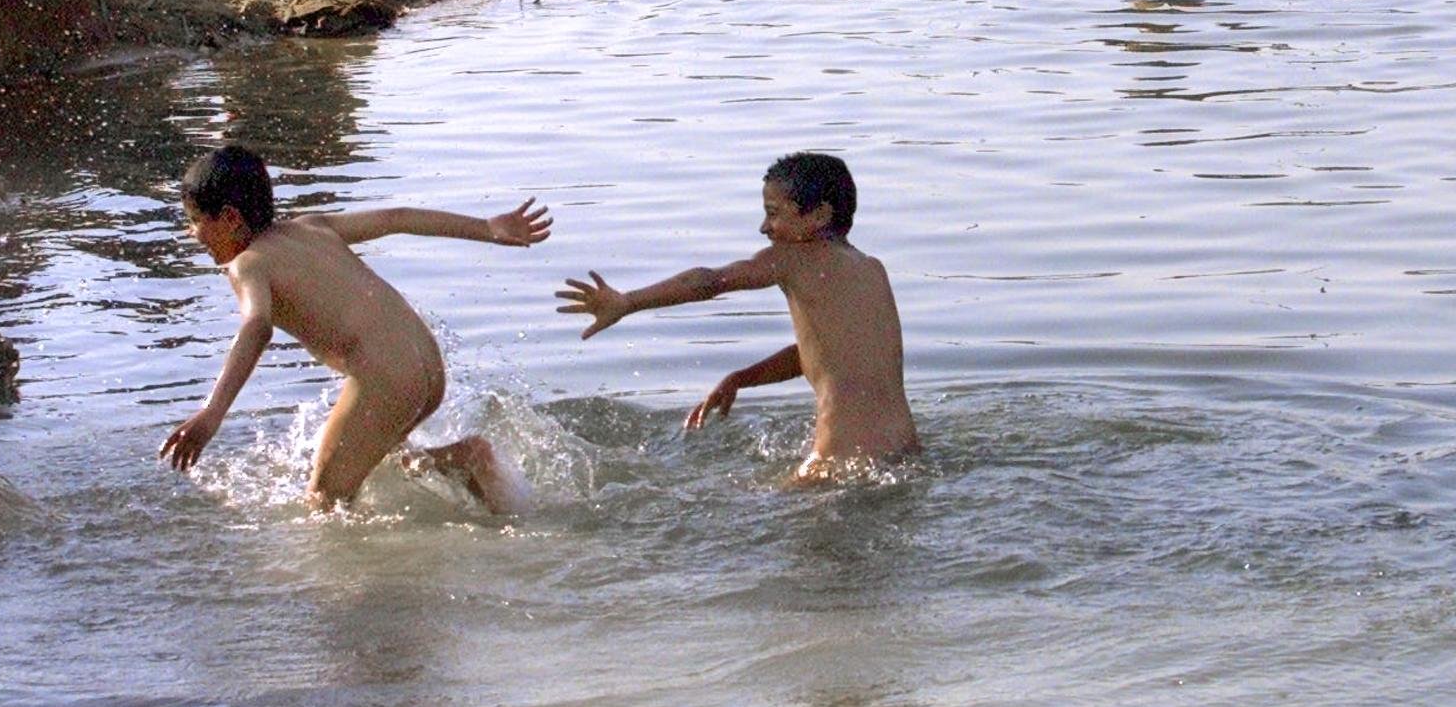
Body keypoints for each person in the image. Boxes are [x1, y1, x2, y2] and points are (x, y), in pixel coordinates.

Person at [162, 144, 550, 514]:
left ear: (230, 218)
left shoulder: (249, 264)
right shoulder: (311, 227)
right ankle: (470, 468)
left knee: (323, 502)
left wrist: (212, 412)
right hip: (426, 363)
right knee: (389, 462)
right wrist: (486, 226)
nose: (192, 234)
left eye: (196, 221)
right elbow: (397, 219)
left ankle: (358, 580)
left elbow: (257, 325)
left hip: (385, 377)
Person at [558, 152, 920, 478]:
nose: (764, 228)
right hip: (903, 455)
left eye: (773, 214)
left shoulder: (790, 258)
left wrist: (628, 302)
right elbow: (833, 353)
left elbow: (710, 281)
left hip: (839, 463)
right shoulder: (871, 269)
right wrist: (742, 378)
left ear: (820, 215)